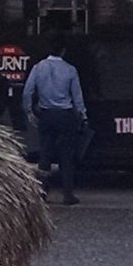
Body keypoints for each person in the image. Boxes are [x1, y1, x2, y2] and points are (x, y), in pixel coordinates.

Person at [22, 33, 87, 205]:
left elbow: (27, 92)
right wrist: (83, 115)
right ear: (63, 51)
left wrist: (29, 111)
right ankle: (68, 194)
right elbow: (77, 97)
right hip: (65, 114)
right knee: (67, 154)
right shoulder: (70, 69)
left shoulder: (38, 68)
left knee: (45, 153)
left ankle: (43, 193)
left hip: (46, 114)